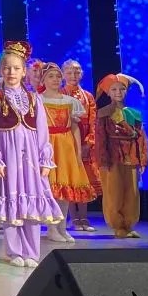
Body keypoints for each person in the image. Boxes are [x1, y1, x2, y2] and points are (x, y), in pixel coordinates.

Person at [0, 42, 63, 267]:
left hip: (31, 157)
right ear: (0, 70)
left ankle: (31, 251)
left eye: (16, 68)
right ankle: (15, 250)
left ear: (24, 71)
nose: (11, 72)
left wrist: (45, 158)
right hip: (8, 155)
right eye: (7, 68)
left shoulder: (34, 98)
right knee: (12, 197)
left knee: (32, 199)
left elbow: (42, 130)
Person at [38, 63, 91, 242]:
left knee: (65, 187)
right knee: (51, 188)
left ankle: (62, 227)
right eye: (51, 76)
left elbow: (74, 127)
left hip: (65, 145)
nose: (55, 80)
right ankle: (51, 227)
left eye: (58, 76)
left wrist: (77, 151)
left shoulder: (70, 102)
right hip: (47, 144)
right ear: (43, 80)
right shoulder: (38, 100)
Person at [95, 73, 148, 238]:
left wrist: (143, 158)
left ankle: (129, 224)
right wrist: (102, 160)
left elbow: (141, 137)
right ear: (108, 93)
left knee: (131, 192)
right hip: (112, 157)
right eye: (114, 89)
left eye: (122, 89)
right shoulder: (104, 113)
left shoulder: (134, 113)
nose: (118, 92)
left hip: (131, 155)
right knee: (114, 193)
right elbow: (100, 138)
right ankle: (118, 226)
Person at [61, 59, 99, 231]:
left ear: (82, 73)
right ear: (63, 74)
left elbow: (93, 121)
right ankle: (74, 218)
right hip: (66, 140)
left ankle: (84, 217)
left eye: (76, 71)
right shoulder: (60, 94)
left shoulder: (88, 96)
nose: (73, 75)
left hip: (84, 141)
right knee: (69, 179)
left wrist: (88, 143)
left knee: (85, 179)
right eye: (69, 72)